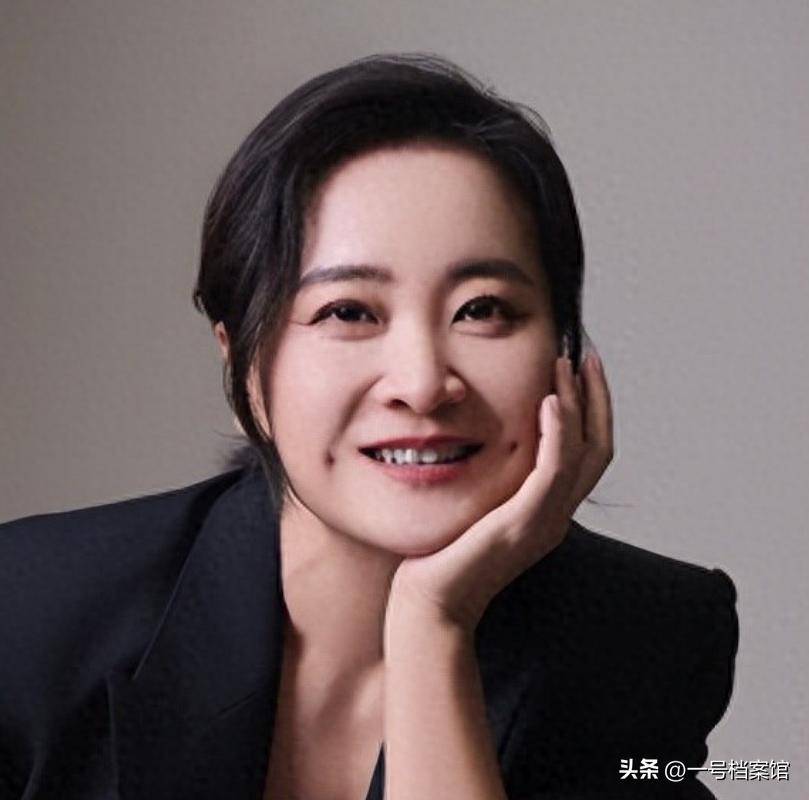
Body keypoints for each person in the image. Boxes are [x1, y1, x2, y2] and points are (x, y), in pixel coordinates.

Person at [0, 54, 737, 800]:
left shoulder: (643, 642)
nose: (422, 384)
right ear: (243, 367)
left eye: (482, 309)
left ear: (563, 354)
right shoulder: (28, 615)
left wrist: (432, 625)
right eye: (348, 312)